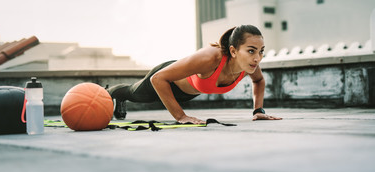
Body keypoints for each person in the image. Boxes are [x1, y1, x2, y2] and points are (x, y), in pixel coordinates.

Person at [107, 24, 282, 124]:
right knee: (134, 94)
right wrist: (181, 117)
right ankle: (111, 92)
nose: (258, 58)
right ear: (233, 51)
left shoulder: (248, 65)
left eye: (261, 51)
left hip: (186, 93)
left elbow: (258, 81)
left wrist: (258, 110)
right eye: (251, 51)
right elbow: (158, 78)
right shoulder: (209, 58)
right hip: (166, 79)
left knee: (139, 96)